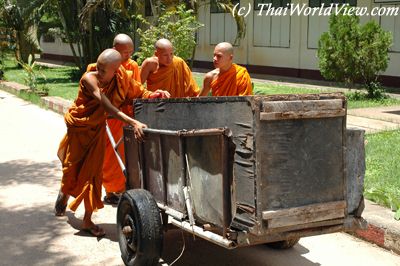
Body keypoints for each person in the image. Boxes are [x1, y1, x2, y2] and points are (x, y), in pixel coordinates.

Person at [54, 49, 160, 237]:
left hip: (97, 131)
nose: (100, 72)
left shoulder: (122, 78)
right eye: (99, 67)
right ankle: (64, 193)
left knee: (93, 173)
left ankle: (87, 219)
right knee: (72, 168)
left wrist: (153, 94)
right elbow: (106, 105)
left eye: (104, 71)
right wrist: (132, 122)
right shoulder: (89, 77)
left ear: (116, 70)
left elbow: (136, 90)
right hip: (81, 129)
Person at [86, 34, 163, 205]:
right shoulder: (95, 69)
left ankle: (115, 191)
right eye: (124, 52)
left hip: (121, 118)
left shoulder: (128, 70)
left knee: (119, 157)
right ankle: (94, 194)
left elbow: (136, 90)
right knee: (101, 160)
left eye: (130, 52)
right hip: (101, 121)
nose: (128, 56)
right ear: (114, 50)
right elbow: (93, 99)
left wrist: (152, 95)